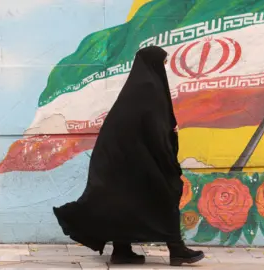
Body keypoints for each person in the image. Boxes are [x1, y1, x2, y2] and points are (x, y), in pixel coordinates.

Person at [53, 46, 205, 266]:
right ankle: (177, 249)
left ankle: (122, 250)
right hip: (139, 159)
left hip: (120, 161)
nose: (164, 67)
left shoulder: (136, 89)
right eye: (162, 63)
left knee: (124, 202)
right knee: (165, 194)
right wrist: (168, 154)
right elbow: (155, 128)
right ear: (153, 64)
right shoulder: (150, 88)